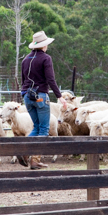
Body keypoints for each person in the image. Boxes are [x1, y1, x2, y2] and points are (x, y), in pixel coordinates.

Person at [19, 30, 63, 169]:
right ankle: (33, 159)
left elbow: (23, 80)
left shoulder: (25, 59)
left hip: (27, 96)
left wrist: (24, 94)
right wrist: (60, 96)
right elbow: (50, 79)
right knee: (44, 129)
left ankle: (24, 152)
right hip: (41, 97)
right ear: (44, 45)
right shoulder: (46, 58)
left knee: (37, 127)